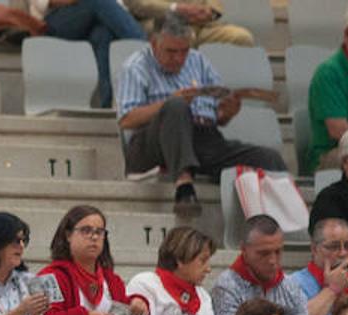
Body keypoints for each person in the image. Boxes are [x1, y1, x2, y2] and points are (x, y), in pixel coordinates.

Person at [116, 14, 286, 213]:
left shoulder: (198, 61)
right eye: (171, 52)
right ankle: (184, 186)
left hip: (202, 138)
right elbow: (127, 120)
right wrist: (169, 101)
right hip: (153, 143)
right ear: (154, 44)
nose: (179, 58)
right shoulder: (135, 67)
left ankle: (280, 220)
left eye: (184, 51)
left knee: (268, 158)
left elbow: (218, 116)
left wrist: (227, 112)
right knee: (176, 107)